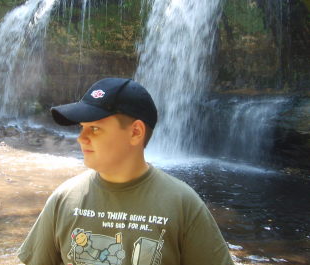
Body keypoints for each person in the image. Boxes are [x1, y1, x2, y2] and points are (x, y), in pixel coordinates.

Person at [17, 77, 234, 265]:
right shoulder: (64, 199)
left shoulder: (183, 205)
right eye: (81, 127)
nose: (81, 138)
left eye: (94, 128)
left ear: (135, 132)